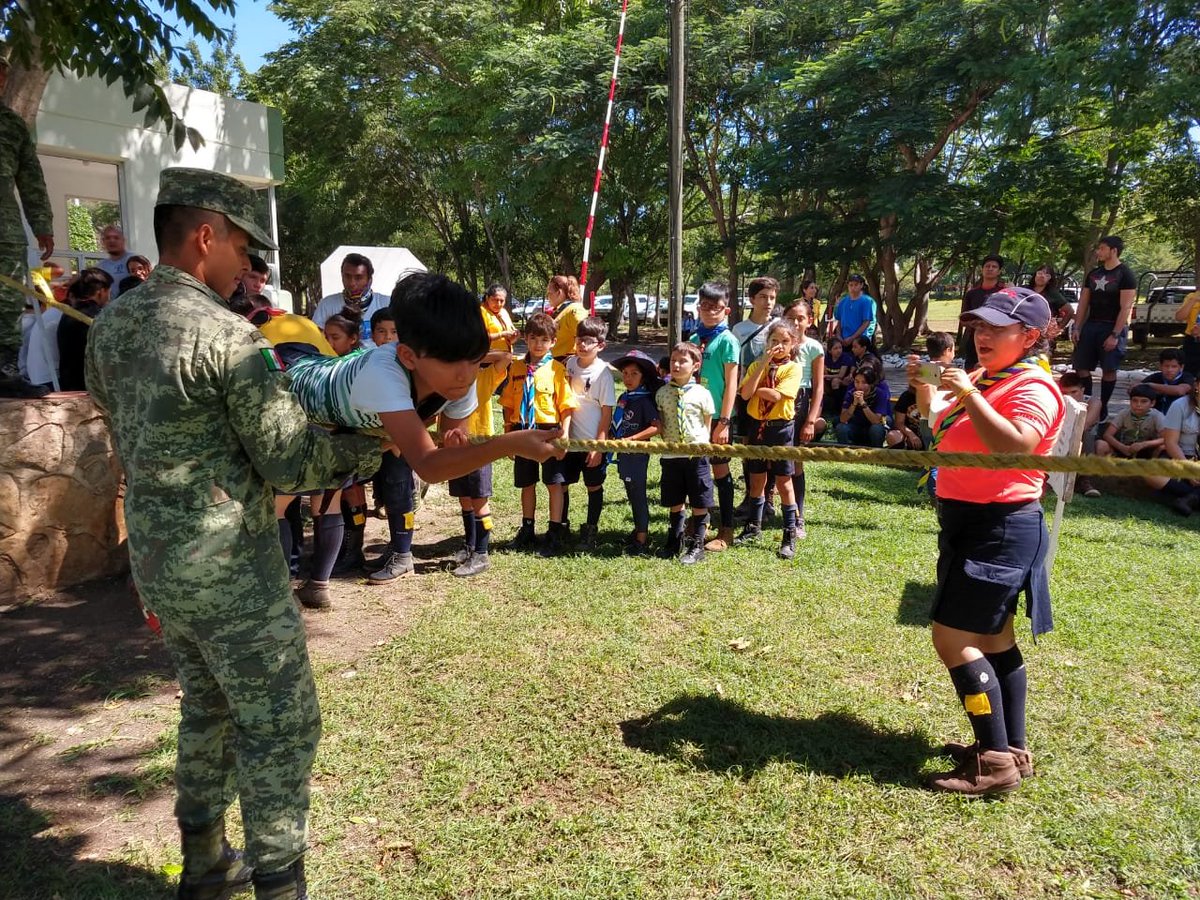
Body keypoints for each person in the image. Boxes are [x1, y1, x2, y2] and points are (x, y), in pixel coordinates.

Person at [84, 167, 386, 899]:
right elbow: (292, 458)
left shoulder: (110, 324)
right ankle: (280, 886)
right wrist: (376, 447)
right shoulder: (226, 336)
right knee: (279, 728)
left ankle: (205, 866)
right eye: (243, 249)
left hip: (158, 560)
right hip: (229, 574)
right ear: (205, 236)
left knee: (206, 709)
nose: (248, 268)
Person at [286, 275, 566, 583]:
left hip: (346, 426)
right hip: (289, 386)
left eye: (474, 360)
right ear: (408, 356)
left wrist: (454, 442)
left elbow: (448, 443)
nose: (465, 374)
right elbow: (429, 465)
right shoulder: (383, 372)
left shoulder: (461, 380)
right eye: (451, 362)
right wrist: (510, 443)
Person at [910, 286, 1064, 797]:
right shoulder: (986, 376)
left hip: (997, 527)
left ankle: (995, 761)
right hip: (972, 523)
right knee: (995, 638)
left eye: (998, 328)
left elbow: (1016, 444)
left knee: (953, 640)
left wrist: (972, 395)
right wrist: (924, 389)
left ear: (1031, 336)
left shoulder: (1034, 388)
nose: (983, 336)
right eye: (979, 326)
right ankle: (1009, 748)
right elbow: (941, 425)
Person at [446, 287, 516, 577]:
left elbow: (505, 359)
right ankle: (470, 544)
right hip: (454, 446)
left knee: (479, 499)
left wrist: (480, 352)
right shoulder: (447, 379)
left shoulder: (483, 376)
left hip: (479, 443)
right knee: (463, 497)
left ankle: (482, 554)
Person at [499, 312, 577, 557]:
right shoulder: (517, 367)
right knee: (526, 482)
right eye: (533, 338)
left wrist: (564, 433)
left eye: (544, 340)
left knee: (553, 483)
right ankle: (527, 529)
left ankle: (554, 532)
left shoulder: (556, 369)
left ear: (553, 342)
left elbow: (565, 404)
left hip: (549, 430)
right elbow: (508, 403)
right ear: (525, 339)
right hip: (522, 429)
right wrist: (508, 433)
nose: (538, 344)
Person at [0, 46, 55, 393]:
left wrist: (43, 225)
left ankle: (4, 372)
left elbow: (31, 180)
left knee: (7, 301)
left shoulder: (12, 126)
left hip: (5, 229)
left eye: (2, 73)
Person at [734, 320, 804, 558]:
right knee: (756, 479)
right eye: (774, 341)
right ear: (767, 343)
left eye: (785, 341)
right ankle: (754, 526)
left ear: (793, 343)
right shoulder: (756, 365)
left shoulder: (793, 368)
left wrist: (758, 390)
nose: (779, 346)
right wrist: (763, 364)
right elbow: (744, 394)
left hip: (781, 428)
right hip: (757, 426)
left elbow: (776, 396)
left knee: (784, 481)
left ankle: (789, 532)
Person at [689, 281, 740, 551]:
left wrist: (724, 421)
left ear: (727, 310)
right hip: (695, 418)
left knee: (720, 471)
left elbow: (732, 383)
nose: (709, 312)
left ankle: (726, 529)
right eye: (704, 306)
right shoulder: (695, 340)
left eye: (715, 308)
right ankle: (700, 521)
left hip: (717, 418)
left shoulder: (728, 340)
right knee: (697, 472)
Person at [655, 341, 715, 564]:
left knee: (700, 499)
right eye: (673, 361)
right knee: (675, 499)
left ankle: (696, 545)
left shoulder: (702, 393)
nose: (677, 365)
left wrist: (702, 444)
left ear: (696, 366)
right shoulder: (662, 393)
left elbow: (707, 422)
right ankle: (674, 540)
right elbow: (661, 421)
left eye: (683, 361)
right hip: (671, 456)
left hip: (696, 456)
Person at [562, 317, 616, 549]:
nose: (582, 345)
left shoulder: (603, 373)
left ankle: (590, 530)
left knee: (593, 486)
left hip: (591, 441)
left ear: (600, 345)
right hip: (568, 440)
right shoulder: (570, 365)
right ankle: (561, 526)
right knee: (562, 484)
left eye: (588, 341)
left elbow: (607, 413)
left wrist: (598, 446)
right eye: (579, 340)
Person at [1072, 235, 1136, 422]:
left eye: (1101, 248)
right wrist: (1077, 327)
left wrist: (1115, 334)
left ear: (1113, 250)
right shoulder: (1093, 274)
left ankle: (1104, 407)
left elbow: (1126, 307)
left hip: (1112, 326)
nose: (1098, 252)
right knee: (1082, 367)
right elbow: (1083, 303)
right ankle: (1087, 403)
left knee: (1109, 369)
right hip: (1091, 325)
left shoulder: (1125, 274)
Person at [609, 349, 662, 556]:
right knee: (630, 492)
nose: (628, 378)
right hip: (624, 453)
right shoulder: (625, 397)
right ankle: (637, 531)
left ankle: (641, 538)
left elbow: (656, 427)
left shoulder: (645, 400)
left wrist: (632, 440)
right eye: (625, 373)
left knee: (638, 494)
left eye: (634, 374)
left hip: (637, 454)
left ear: (643, 377)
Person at [781, 300, 826, 534]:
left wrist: (810, 419)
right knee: (775, 458)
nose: (796, 323)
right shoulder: (778, 344)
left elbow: (819, 387)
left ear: (809, 321)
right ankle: (767, 506)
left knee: (796, 461)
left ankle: (798, 515)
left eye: (801, 318)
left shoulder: (814, 347)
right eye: (791, 318)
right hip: (779, 402)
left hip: (802, 400)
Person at [888, 332, 956, 451]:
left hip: (927, 420)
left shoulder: (923, 369)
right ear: (948, 350)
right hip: (938, 420)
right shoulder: (952, 372)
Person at [310, 252, 392, 348]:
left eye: (358, 277)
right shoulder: (327, 304)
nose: (352, 283)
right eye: (347, 276)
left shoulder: (387, 303)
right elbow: (316, 340)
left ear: (370, 279)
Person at [1143, 380, 1200, 516]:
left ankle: (1188, 499)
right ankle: (1192, 497)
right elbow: (1170, 443)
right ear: (1197, 385)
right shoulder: (1180, 405)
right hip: (1180, 456)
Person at [56, 267, 113, 391]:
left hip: (69, 383)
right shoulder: (98, 316)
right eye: (109, 292)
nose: (109, 297)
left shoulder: (68, 314)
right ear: (101, 292)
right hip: (90, 387)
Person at [1057, 371, 1104, 499]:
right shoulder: (1057, 402)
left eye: (1074, 392)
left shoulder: (1093, 402)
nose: (1070, 397)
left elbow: (1084, 425)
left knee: (1085, 435)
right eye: (1065, 393)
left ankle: (1085, 480)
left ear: (1082, 390)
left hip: (1087, 439)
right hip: (1061, 437)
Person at [960, 254, 1006, 370]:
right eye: (987, 266)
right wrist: (977, 324)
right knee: (971, 373)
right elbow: (963, 318)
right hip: (974, 340)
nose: (990, 269)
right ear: (982, 269)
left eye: (994, 267)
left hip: (997, 340)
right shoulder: (972, 293)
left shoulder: (1005, 292)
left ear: (999, 271)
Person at [1096, 384, 1165, 462]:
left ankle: (1152, 471)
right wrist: (1122, 447)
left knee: (1164, 447)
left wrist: (1143, 444)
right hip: (1125, 449)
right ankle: (1105, 472)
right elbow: (1107, 435)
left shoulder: (1157, 416)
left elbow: (1166, 438)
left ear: (1152, 403)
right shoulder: (1124, 413)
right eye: (1135, 400)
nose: (1138, 405)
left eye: (1144, 401)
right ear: (1130, 401)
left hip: (1148, 451)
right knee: (1100, 444)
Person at [836, 368, 890, 446]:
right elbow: (842, 419)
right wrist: (854, 404)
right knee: (841, 427)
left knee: (876, 429)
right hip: (856, 427)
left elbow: (876, 421)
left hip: (872, 428)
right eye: (857, 382)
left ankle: (876, 453)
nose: (859, 386)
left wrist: (862, 403)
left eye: (864, 382)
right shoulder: (850, 393)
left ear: (871, 383)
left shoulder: (880, 394)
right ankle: (845, 452)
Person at [1140, 348, 1195, 416]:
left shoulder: (1187, 377)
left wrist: (1151, 386)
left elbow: (1180, 391)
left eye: (1174, 367)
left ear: (1181, 367)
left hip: (1180, 417)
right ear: (1160, 366)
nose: (1169, 370)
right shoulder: (1156, 377)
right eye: (1166, 366)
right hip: (1156, 417)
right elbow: (1134, 389)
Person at [545, 274, 588, 360]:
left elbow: (586, 334)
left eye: (549, 293)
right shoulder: (561, 310)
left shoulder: (574, 309)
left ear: (559, 292)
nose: (548, 297)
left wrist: (576, 359)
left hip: (566, 362)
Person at [1026, 264, 1071, 341]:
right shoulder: (1024, 290)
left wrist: (1058, 329)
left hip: (1043, 335)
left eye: (1047, 275)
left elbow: (1070, 311)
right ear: (1035, 275)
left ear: (1050, 280)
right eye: (1039, 273)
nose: (1042, 276)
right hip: (1023, 332)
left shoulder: (1053, 294)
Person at [833, 274, 876, 344]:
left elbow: (866, 323)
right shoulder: (843, 302)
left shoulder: (866, 301)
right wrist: (838, 335)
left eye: (856, 285)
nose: (853, 287)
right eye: (851, 285)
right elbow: (839, 321)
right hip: (844, 339)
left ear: (861, 285)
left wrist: (852, 338)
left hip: (860, 340)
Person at [95, 224, 135, 298]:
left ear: (123, 240)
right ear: (103, 242)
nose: (112, 241)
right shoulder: (100, 267)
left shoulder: (134, 260)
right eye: (108, 238)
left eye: (116, 238)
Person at [822, 336, 854, 418]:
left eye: (840, 347)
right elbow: (824, 370)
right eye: (835, 348)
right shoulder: (827, 358)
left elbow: (841, 375)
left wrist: (826, 376)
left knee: (835, 381)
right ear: (829, 350)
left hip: (843, 383)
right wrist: (825, 376)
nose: (839, 350)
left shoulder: (845, 358)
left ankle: (837, 409)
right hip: (829, 381)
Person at [1174, 288, 1200, 377]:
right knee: (1189, 374)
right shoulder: (1191, 296)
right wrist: (1192, 301)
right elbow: (1179, 317)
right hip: (1192, 341)